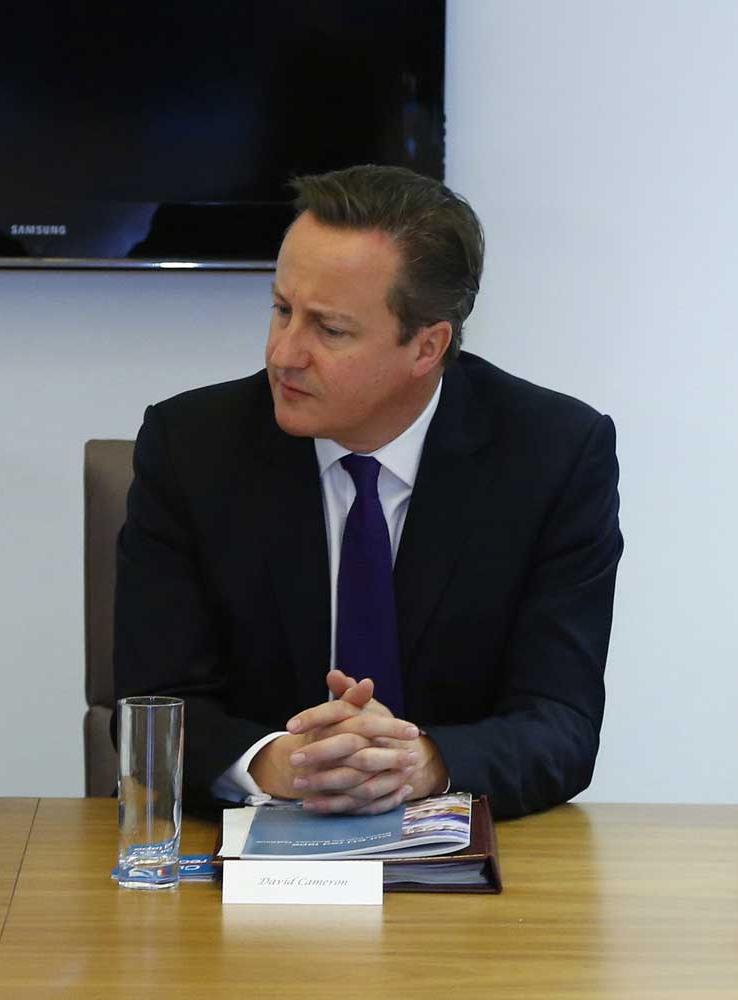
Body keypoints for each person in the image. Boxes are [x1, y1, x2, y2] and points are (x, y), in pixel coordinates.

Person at [114, 164, 622, 820]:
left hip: (463, 851)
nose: (284, 354)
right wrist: (284, 763)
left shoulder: (553, 455)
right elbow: (152, 706)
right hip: (234, 843)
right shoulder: (191, 448)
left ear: (427, 347)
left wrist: (421, 763)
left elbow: (561, 722)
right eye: (282, 310)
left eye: (330, 330)